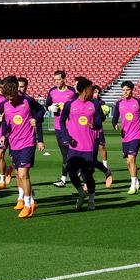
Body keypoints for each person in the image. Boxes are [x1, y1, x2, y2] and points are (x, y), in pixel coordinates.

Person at [0, 79, 45, 219]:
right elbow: (6, 123)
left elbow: (41, 110)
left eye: (12, 98)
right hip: (14, 143)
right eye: (7, 98)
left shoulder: (28, 100)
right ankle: (29, 200)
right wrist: (3, 135)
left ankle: (28, 204)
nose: (10, 101)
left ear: (17, 92)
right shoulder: (5, 105)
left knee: (23, 174)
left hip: (28, 142)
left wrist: (36, 118)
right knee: (18, 174)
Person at [61, 79, 105, 211]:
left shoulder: (95, 104)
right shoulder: (70, 104)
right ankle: (81, 192)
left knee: (88, 174)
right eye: (91, 88)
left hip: (89, 145)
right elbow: (62, 122)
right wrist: (67, 137)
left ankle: (91, 199)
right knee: (71, 172)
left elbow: (98, 122)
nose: (93, 90)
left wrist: (95, 125)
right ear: (85, 89)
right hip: (74, 146)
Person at [114, 80, 140, 194]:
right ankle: (137, 181)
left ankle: (133, 185)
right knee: (128, 162)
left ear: (132, 90)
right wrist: (115, 124)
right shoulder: (119, 103)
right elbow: (115, 118)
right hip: (125, 136)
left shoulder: (139, 102)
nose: (125, 92)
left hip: (136, 134)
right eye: (124, 90)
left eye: (127, 90)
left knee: (131, 159)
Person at [45, 70, 77, 188]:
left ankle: (64, 178)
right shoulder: (52, 91)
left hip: (71, 126)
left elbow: (78, 103)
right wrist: (50, 107)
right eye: (55, 80)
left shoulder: (72, 91)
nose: (56, 82)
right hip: (58, 127)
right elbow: (47, 105)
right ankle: (68, 176)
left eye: (58, 79)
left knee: (70, 153)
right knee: (65, 153)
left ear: (64, 79)